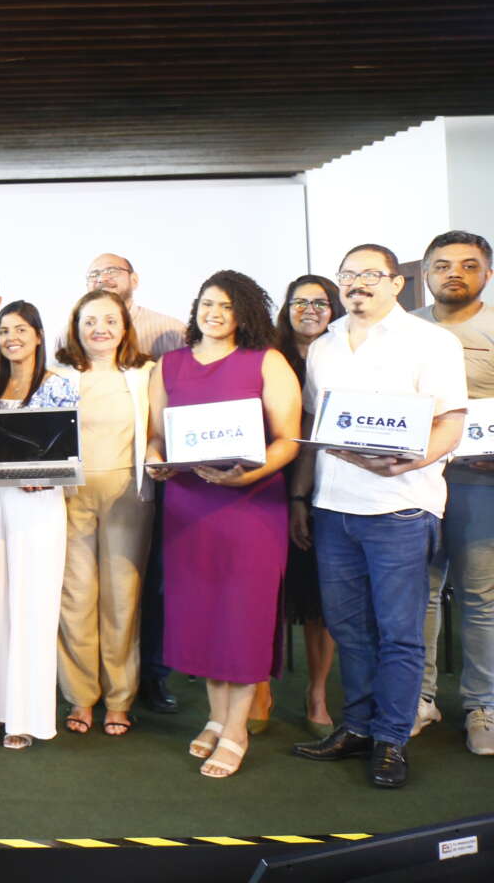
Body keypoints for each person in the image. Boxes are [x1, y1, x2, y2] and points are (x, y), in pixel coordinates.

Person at [292, 244, 467, 789]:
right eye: (348, 274)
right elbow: (317, 424)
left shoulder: (430, 341)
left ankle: (392, 739)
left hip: (401, 507)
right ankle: (358, 728)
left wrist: (410, 461)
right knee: (349, 629)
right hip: (333, 507)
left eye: (371, 273)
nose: (357, 283)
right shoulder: (324, 346)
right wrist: (301, 498)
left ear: (397, 283)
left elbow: (452, 421)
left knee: (399, 634)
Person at [147, 271, 301, 779]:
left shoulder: (266, 361)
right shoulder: (169, 365)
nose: (214, 314)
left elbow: (288, 438)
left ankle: (236, 729)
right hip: (188, 506)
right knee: (203, 613)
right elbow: (156, 436)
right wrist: (155, 461)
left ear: (245, 314)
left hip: (251, 505)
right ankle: (216, 717)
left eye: (227, 306)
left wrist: (248, 475)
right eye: (207, 304)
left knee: (243, 615)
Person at [83, 252, 185, 715]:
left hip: (146, 479)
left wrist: (162, 454)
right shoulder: (69, 351)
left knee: (144, 586)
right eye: (95, 274)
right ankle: (88, 688)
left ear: (133, 279)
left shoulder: (168, 330)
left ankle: (150, 678)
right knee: (85, 592)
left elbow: (176, 403)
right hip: (86, 488)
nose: (104, 279)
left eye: (112, 272)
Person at [53, 289, 155, 737]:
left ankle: (119, 699)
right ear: (76, 328)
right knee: (75, 598)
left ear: (125, 327)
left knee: (122, 600)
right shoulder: (57, 376)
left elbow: (158, 431)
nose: (101, 329)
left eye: (111, 320)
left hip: (128, 497)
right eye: (90, 321)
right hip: (69, 496)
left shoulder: (146, 373)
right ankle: (80, 696)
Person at [412, 230, 494, 755]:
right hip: (415, 480)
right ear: (426, 274)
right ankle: (420, 698)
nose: (454, 274)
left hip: (478, 482)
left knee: (479, 598)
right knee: (419, 594)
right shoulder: (406, 328)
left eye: (468, 265)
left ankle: (482, 705)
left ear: (487, 274)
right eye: (442, 265)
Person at [0, 301, 78, 750]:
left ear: (39, 336)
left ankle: (30, 717)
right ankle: (3, 705)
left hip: (39, 508)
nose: (12, 338)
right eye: (4, 331)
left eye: (21, 329)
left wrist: (48, 477)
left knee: (33, 610)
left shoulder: (58, 387)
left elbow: (73, 455)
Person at [275, 274, 346, 738]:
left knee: (320, 599)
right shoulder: (270, 355)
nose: (309, 310)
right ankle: (258, 688)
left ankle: (317, 692)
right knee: (271, 592)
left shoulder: (346, 354)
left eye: (320, 302)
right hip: (270, 480)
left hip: (333, 482)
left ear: (334, 309)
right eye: (299, 302)